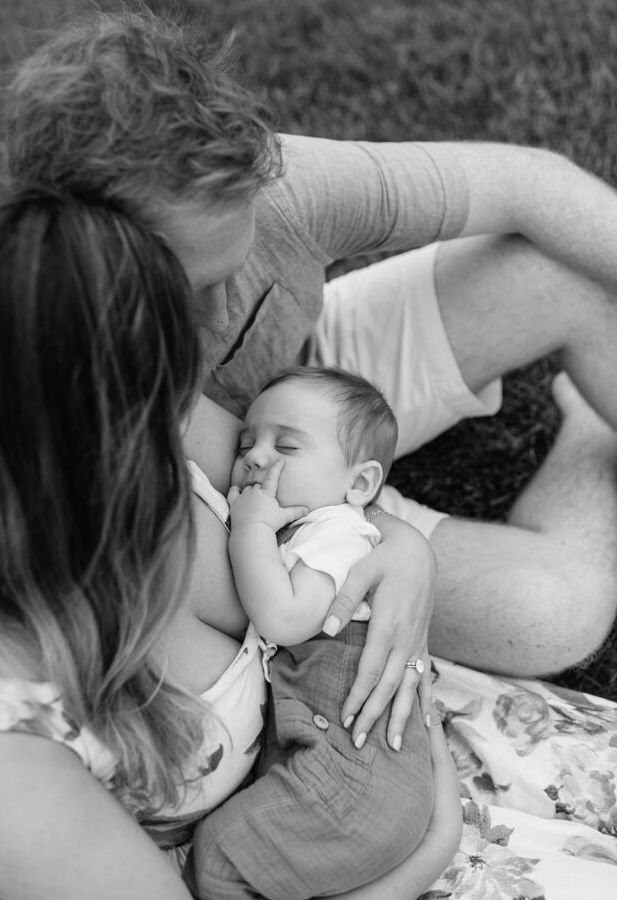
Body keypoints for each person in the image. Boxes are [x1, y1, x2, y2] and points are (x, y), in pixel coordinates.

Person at [0, 185, 617, 899]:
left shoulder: (140, 412)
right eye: (159, 393)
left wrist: (402, 555)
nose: (188, 401)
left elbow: (318, 502)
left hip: (363, 748)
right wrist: (429, 851)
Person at [4, 7, 617, 754]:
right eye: (187, 288)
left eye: (237, 267)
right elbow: (238, 503)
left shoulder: (260, 183)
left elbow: (526, 185)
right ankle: (587, 432)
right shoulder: (47, 349)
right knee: (557, 612)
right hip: (259, 511)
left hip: (314, 386)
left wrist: (400, 543)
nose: (223, 310)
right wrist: (388, 542)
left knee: (564, 274)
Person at [191, 367, 436, 899]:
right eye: (246, 442)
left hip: (351, 783)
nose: (255, 456)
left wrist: (251, 527)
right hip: (343, 773)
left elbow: (284, 617)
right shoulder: (313, 530)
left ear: (360, 484)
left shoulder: (338, 533)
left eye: (287, 446)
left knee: (220, 858)